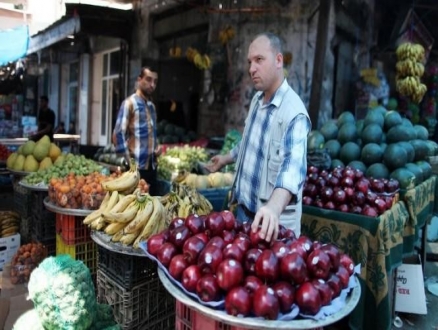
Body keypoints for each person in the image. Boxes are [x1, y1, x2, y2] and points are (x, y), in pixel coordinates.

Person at [205, 32, 311, 242]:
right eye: (250, 62)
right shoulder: (257, 100)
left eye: (259, 60)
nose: (252, 68)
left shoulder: (294, 113)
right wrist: (226, 158)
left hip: (272, 224)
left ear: (279, 60)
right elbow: (249, 141)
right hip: (244, 213)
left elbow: (293, 168)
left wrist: (273, 206)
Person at [112, 66, 162, 195]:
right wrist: (130, 164)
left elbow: (151, 135)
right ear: (139, 80)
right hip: (136, 170)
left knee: (152, 208)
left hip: (152, 167)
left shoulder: (152, 107)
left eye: (155, 82)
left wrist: (156, 149)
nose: (152, 85)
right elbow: (117, 135)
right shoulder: (129, 103)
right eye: (148, 80)